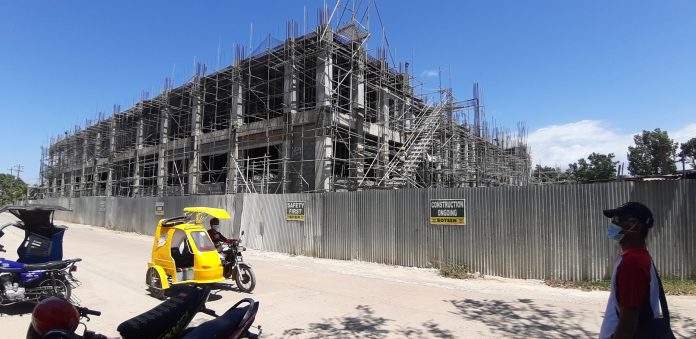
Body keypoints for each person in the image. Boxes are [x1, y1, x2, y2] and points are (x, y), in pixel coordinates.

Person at [599, 202, 674, 339]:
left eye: (617, 220)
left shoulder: (632, 263)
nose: (613, 224)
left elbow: (628, 324)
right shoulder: (637, 256)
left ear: (635, 226)